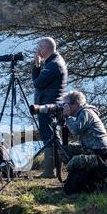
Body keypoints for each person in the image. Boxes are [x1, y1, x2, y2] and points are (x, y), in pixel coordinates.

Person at [32, 37, 68, 178]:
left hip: (49, 105)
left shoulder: (53, 64)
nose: (38, 49)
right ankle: (53, 170)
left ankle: (49, 172)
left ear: (46, 48)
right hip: (50, 103)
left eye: (40, 46)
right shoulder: (54, 61)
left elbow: (38, 83)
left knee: (49, 136)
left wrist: (37, 65)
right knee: (51, 135)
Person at [62, 91, 107, 160]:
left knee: (72, 161)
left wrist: (67, 117)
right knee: (64, 148)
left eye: (66, 104)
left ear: (76, 104)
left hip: (98, 151)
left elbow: (75, 130)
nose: (64, 107)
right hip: (94, 148)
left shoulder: (85, 112)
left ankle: (97, 169)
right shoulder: (84, 112)